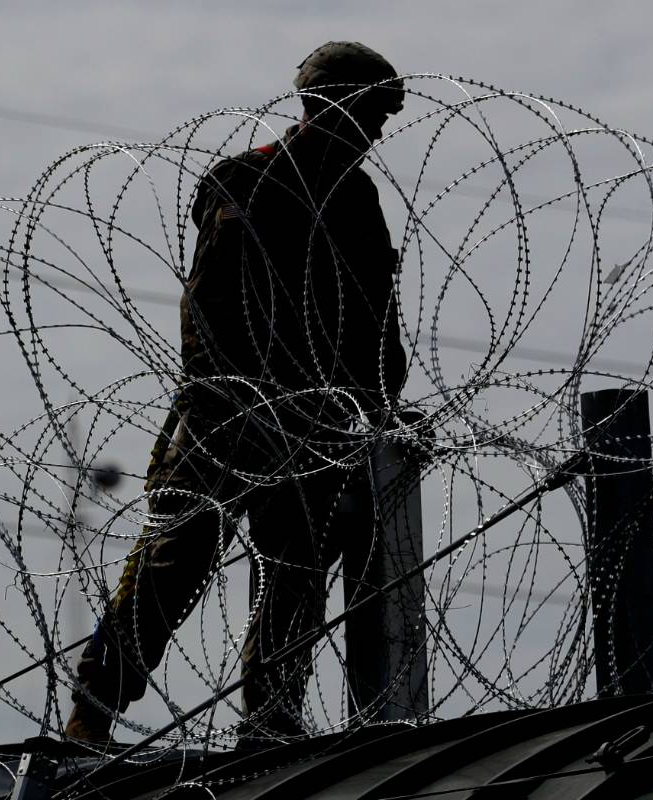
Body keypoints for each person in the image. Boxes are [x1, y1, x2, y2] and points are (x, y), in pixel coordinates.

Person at [65, 41, 408, 743]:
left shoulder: (358, 197)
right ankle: (92, 712)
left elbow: (376, 313)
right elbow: (209, 306)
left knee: (295, 571)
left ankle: (271, 715)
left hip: (315, 422)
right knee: (174, 564)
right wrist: (227, 401)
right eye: (370, 113)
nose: (378, 131)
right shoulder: (248, 180)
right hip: (229, 414)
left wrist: (380, 399)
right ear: (325, 106)